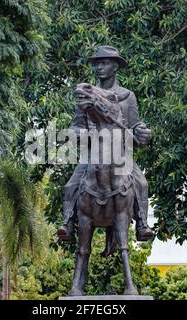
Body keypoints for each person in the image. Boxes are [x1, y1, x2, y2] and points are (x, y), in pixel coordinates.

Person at [57, 46, 154, 242]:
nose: (99, 67)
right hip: (93, 155)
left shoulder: (128, 96)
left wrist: (141, 133)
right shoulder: (86, 95)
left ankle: (142, 223)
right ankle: (67, 222)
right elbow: (76, 127)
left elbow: (134, 127)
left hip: (121, 156)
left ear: (115, 66)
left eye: (104, 63)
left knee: (142, 183)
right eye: (97, 64)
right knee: (71, 185)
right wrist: (83, 134)